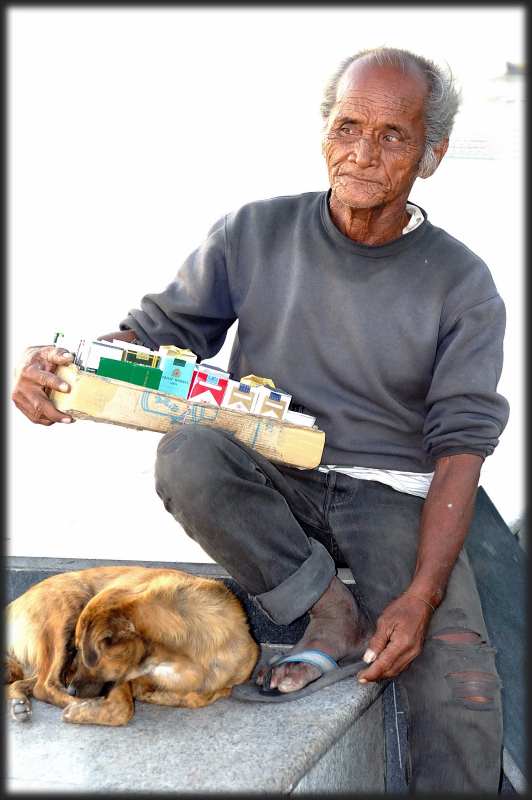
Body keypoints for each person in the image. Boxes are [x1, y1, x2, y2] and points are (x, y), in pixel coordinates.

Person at [12, 47, 509, 792]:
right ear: (323, 134)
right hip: (275, 474)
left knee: (460, 685)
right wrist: (65, 366)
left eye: (393, 136)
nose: (362, 153)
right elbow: (157, 334)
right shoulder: (255, 232)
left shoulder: (463, 282)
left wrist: (420, 595)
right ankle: (325, 612)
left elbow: (461, 452)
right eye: (348, 127)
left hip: (393, 499)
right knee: (190, 453)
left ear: (432, 155)